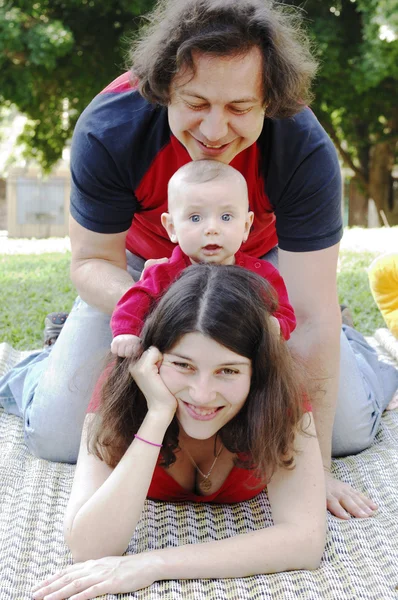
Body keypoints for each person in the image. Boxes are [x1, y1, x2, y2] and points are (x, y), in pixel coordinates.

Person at [0, 0, 397, 520]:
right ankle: (36, 365)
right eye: (196, 102)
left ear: (268, 102)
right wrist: (173, 306)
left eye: (239, 108)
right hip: (147, 273)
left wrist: (312, 469)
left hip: (263, 271)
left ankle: (363, 354)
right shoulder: (111, 126)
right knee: (57, 434)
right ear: (165, 86)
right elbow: (91, 261)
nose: (214, 130)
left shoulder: (302, 146)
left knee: (339, 430)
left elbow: (311, 313)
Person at [32, 265, 327, 600]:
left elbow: (305, 541)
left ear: (256, 371)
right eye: (184, 365)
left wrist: (153, 564)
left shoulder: (279, 397)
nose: (202, 394)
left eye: (227, 370)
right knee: (46, 419)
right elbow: (89, 546)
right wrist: (157, 415)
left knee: (355, 429)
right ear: (152, 358)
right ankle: (43, 358)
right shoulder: (119, 394)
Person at [111, 159, 296, 358]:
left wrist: (275, 324)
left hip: (240, 361)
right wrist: (126, 333)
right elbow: (133, 303)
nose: (212, 229)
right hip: (177, 360)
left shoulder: (261, 275)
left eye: (226, 217)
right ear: (171, 228)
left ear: (245, 226)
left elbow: (285, 313)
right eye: (195, 218)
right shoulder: (162, 274)